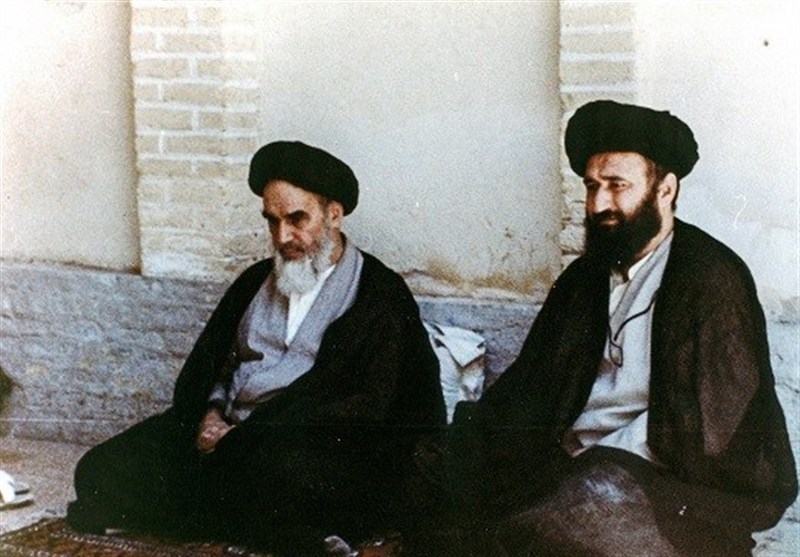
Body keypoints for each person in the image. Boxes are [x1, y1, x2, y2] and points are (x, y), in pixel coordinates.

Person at [407, 100, 797, 556]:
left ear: (665, 189)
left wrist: (599, 459)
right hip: (567, 456)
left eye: (617, 186)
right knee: (436, 467)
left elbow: (717, 425)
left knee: (550, 528)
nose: (598, 205)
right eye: (592, 187)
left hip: (658, 480)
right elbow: (532, 386)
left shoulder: (709, 278)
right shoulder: (585, 277)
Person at [67, 141, 446, 554]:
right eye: (272, 221)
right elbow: (212, 367)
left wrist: (247, 438)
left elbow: (364, 406)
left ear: (334, 214)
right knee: (99, 469)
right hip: (229, 434)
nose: (283, 237)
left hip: (307, 446)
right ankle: (260, 523)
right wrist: (211, 414)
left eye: (297, 219)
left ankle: (232, 513)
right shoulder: (254, 282)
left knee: (286, 478)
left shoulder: (378, 295)